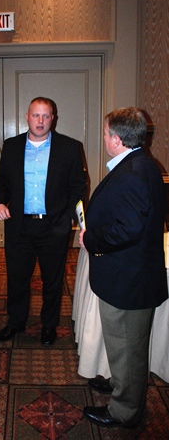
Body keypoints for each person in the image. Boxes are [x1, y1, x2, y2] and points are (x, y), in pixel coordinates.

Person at [79, 107, 168, 429]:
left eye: (105, 134)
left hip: (129, 281)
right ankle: (122, 387)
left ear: (116, 139)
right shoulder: (142, 165)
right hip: (132, 276)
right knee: (124, 347)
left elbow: (127, 230)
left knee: (128, 350)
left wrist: (92, 239)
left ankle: (124, 411)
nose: (103, 138)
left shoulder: (132, 173)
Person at [0, 96, 87, 345]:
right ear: (27, 117)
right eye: (36, 115)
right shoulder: (12, 146)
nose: (41, 121)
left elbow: (78, 187)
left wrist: (67, 218)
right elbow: (2, 182)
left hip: (53, 226)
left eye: (46, 116)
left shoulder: (69, 147)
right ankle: (15, 322)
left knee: (52, 279)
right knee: (17, 278)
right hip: (19, 226)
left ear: (53, 118)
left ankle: (49, 325)